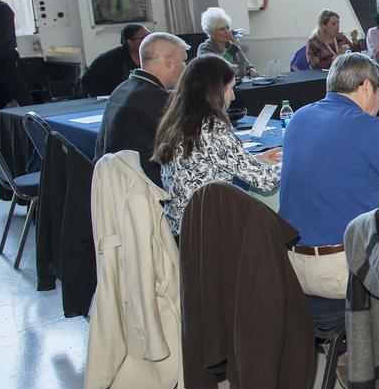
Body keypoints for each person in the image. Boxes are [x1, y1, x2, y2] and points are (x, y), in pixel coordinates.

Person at [279, 53, 379, 305]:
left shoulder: (299, 117)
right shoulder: (368, 126)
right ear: (366, 86)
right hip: (341, 269)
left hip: (290, 266)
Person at [152, 55, 283, 235]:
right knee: (274, 226)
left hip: (180, 226)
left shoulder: (178, 121)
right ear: (215, 91)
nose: (233, 96)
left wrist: (254, 159)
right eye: (230, 89)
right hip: (206, 234)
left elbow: (202, 166)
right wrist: (295, 160)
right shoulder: (211, 128)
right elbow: (265, 181)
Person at [94, 32, 189, 187]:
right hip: (145, 191)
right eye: (184, 61)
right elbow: (187, 150)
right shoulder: (159, 100)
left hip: (111, 184)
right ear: (169, 61)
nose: (185, 68)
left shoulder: (122, 88)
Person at [79, 23, 149, 97]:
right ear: (130, 42)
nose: (149, 41)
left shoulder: (153, 56)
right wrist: (114, 94)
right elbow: (87, 81)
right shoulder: (109, 59)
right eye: (144, 38)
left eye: (150, 37)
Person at [196, 7, 256, 80]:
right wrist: (234, 47)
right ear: (211, 32)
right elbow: (223, 70)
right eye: (222, 29)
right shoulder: (205, 48)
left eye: (227, 28)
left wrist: (251, 70)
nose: (227, 32)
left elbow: (246, 66)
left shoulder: (230, 45)